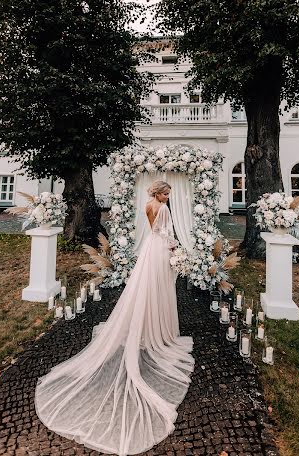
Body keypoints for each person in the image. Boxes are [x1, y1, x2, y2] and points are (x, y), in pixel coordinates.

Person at [35, 180, 194, 456]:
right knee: (156, 288)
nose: (168, 197)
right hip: (160, 251)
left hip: (148, 251)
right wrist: (176, 252)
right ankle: (157, 330)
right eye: (166, 193)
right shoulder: (164, 210)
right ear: (158, 192)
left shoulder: (147, 205)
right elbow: (166, 234)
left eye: (168, 194)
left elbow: (151, 230)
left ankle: (146, 322)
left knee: (143, 287)